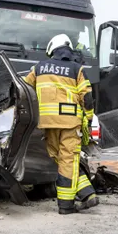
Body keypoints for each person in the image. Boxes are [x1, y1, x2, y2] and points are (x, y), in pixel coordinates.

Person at [23, 34, 99, 214]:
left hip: (48, 122)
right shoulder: (76, 69)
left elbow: (24, 90)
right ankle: (66, 205)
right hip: (71, 122)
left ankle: (87, 193)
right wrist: (88, 120)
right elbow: (87, 98)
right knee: (68, 159)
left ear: (52, 49)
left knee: (61, 158)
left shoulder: (39, 68)